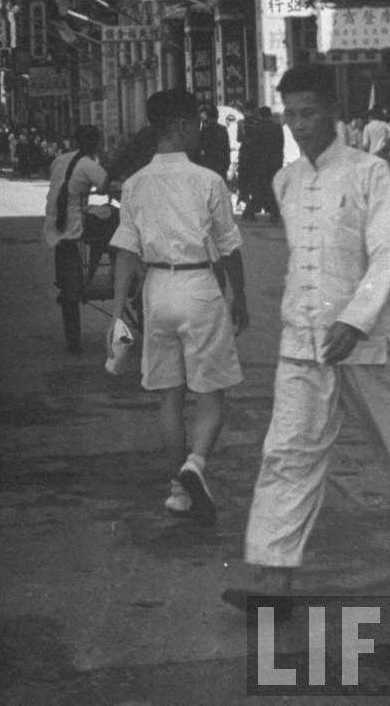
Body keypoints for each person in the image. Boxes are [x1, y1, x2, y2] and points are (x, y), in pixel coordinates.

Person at [222, 65, 390, 615]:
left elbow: (386, 252)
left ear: (333, 110)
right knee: (287, 454)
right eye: (290, 115)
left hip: (365, 342)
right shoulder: (286, 181)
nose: (299, 125)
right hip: (301, 343)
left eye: (309, 112)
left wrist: (355, 319)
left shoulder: (371, 173)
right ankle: (273, 583)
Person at [109, 89, 248, 522]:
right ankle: (196, 464)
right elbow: (229, 248)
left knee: (169, 395)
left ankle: (177, 492)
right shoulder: (207, 180)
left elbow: (125, 255)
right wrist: (239, 297)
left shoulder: (134, 184)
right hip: (198, 286)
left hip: (156, 290)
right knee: (210, 394)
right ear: (186, 125)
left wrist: (116, 314)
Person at [43, 126, 110, 353]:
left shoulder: (59, 160)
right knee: (113, 221)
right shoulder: (90, 165)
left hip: (55, 225)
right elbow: (106, 185)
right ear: (96, 144)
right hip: (75, 224)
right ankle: (97, 269)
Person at [240, 106, 284, 222]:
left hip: (259, 163)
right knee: (272, 189)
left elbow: (252, 147)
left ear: (260, 115)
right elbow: (280, 146)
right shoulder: (277, 127)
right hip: (274, 163)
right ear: (269, 115)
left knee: (259, 189)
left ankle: (250, 212)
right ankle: (274, 213)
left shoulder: (256, 128)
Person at [196, 103, 231, 181]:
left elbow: (199, 148)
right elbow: (227, 150)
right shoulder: (221, 129)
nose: (203, 122)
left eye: (204, 120)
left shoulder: (206, 131)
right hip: (217, 167)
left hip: (211, 167)